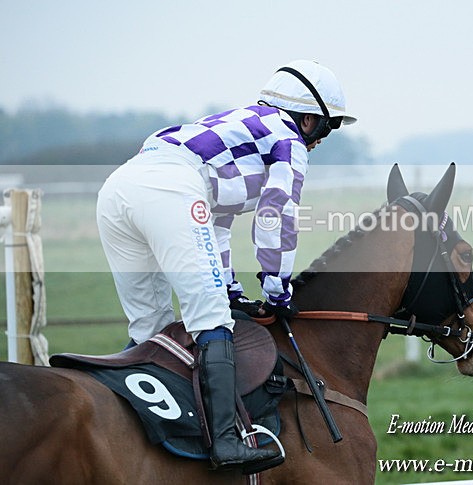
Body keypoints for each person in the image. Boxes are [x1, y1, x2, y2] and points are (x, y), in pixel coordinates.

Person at [96, 60, 356, 472]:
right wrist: (277, 289)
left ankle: (119, 430)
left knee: (151, 328)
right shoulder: (287, 139)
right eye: (327, 128)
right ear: (307, 120)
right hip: (170, 190)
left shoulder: (238, 126)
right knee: (211, 320)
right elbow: (278, 214)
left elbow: (215, 220)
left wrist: (231, 287)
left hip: (117, 190)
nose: (321, 140)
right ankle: (227, 443)